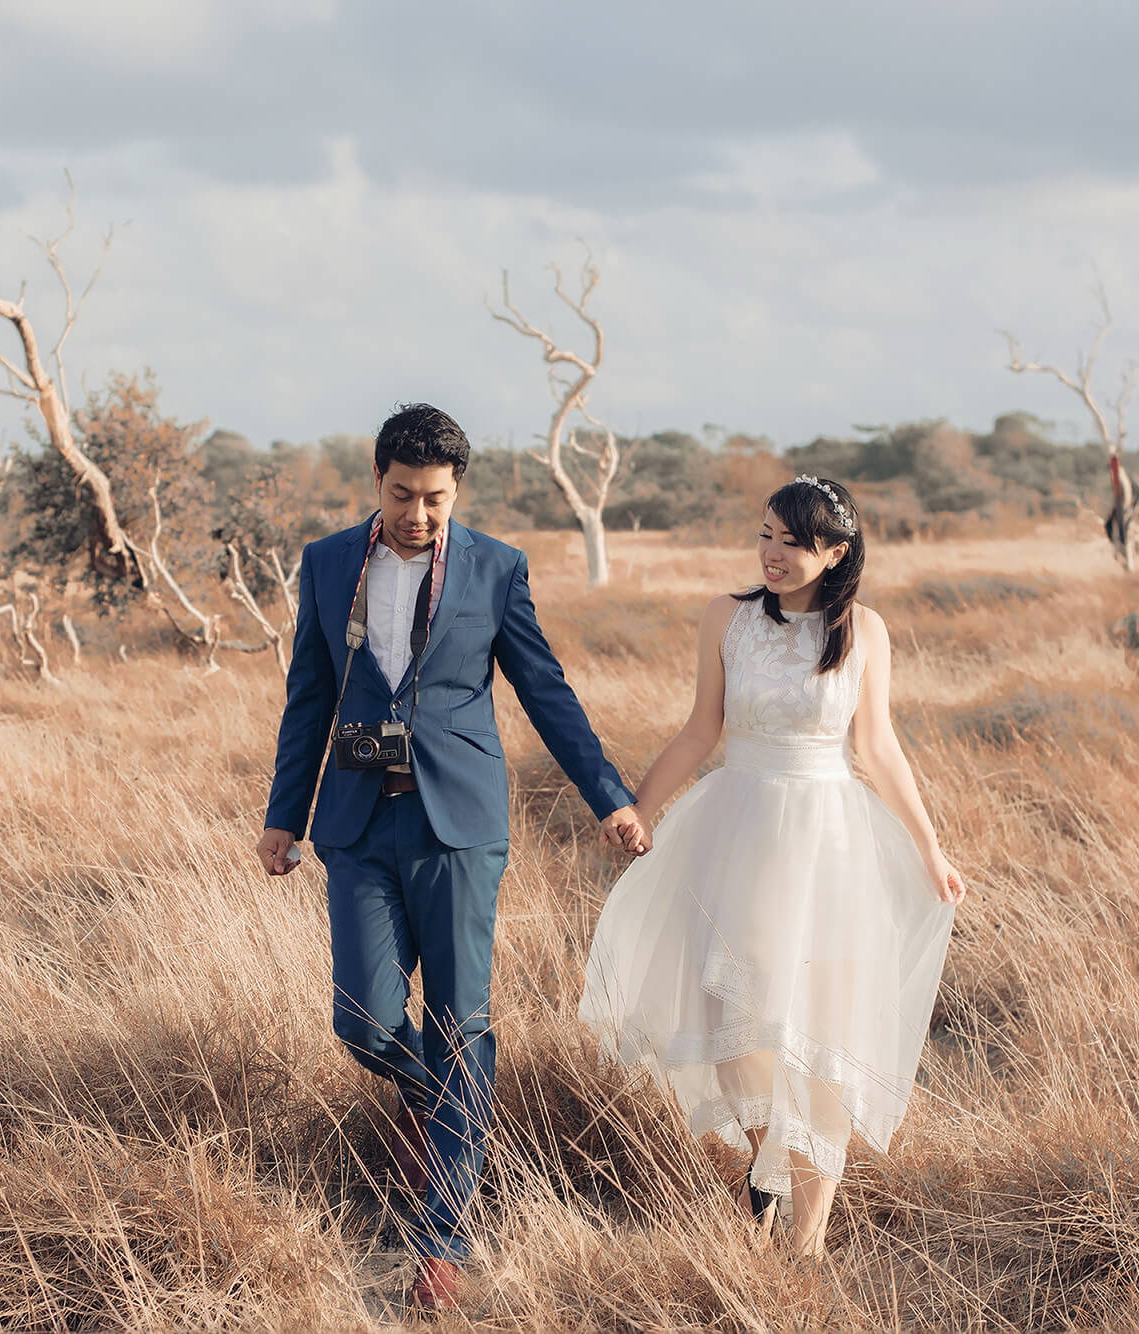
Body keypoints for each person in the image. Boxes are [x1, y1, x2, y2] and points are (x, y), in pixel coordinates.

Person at [257, 403, 645, 1311]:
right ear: (377, 480)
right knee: (362, 1017)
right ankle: (460, 1104)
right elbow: (307, 696)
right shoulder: (324, 564)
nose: (419, 515)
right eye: (403, 495)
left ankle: (443, 1237)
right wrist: (286, 816)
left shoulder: (495, 567)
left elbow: (546, 690)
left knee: (460, 1015)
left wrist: (610, 797)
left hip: (460, 827)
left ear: (456, 490)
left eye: (435, 498)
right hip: (355, 824)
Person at [580, 475, 964, 1258]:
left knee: (821, 1026)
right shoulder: (726, 617)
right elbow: (699, 730)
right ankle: (767, 1166)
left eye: (793, 542)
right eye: (765, 535)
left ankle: (806, 1242)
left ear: (836, 552)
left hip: (828, 838)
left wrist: (930, 847)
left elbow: (878, 749)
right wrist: (641, 808)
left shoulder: (864, 632)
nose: (773, 554)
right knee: (736, 1024)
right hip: (738, 827)